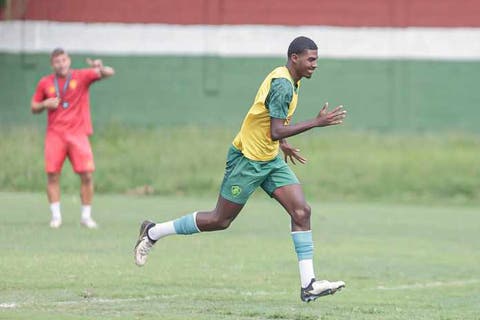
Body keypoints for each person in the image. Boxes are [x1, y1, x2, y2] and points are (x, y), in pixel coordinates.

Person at [134, 36, 347, 302]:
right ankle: (153, 232)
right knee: (219, 220)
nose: (315, 64)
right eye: (311, 59)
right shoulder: (282, 84)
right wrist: (315, 123)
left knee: (302, 211)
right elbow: (275, 129)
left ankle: (309, 285)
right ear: (295, 58)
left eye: (316, 59)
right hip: (247, 160)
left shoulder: (291, 80)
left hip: (269, 160)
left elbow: (270, 122)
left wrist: (284, 144)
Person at [31, 48, 115, 229]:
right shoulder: (45, 82)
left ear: (68, 60)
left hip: (78, 134)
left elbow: (109, 73)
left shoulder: (81, 76)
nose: (61, 64)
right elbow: (33, 107)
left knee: (87, 175)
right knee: (52, 175)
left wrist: (99, 67)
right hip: (55, 134)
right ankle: (56, 217)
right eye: (57, 62)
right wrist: (45, 104)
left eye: (63, 60)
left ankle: (86, 216)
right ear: (52, 64)